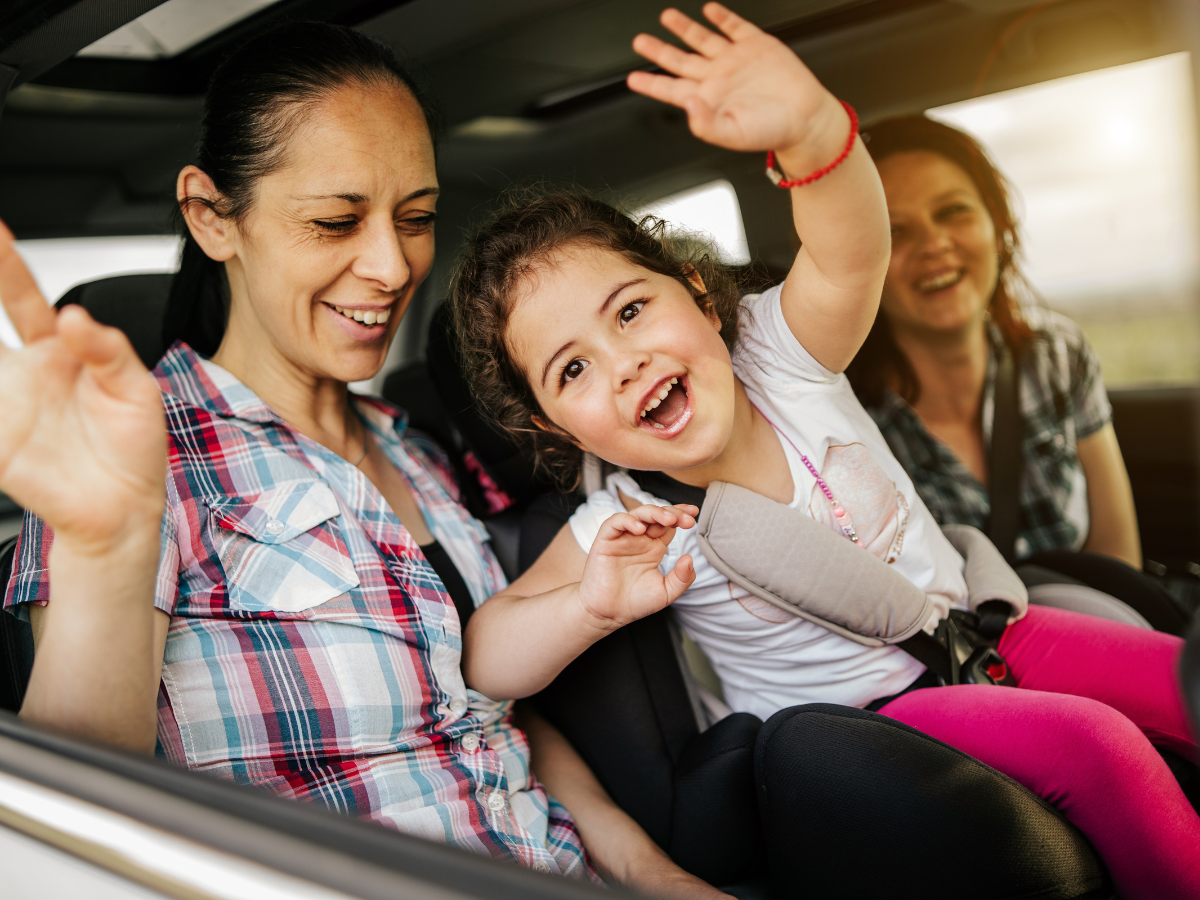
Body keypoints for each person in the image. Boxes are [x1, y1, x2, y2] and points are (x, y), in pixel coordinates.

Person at [448, 5, 1200, 898]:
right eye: (573, 369)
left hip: (990, 628)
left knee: (1184, 679)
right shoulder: (629, 517)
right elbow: (488, 654)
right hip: (883, 725)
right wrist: (590, 607)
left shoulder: (776, 352)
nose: (625, 363)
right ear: (556, 430)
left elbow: (849, 252)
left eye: (631, 310)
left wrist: (812, 134)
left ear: (695, 290)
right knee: (1102, 751)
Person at [0, 21, 729, 898]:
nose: (390, 265)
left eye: (416, 219)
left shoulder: (412, 449)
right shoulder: (131, 463)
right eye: (336, 220)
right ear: (212, 217)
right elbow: (77, 811)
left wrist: (657, 876)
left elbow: (492, 722)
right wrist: (107, 543)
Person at [845, 114, 1141, 567]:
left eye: (952, 211)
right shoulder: (848, 423)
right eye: (895, 231)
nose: (933, 244)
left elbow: (1119, 556)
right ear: (863, 263)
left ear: (996, 226)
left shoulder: (1058, 355)